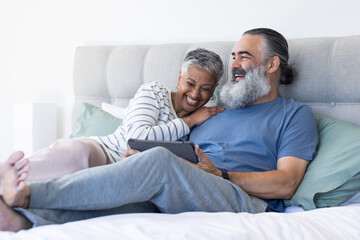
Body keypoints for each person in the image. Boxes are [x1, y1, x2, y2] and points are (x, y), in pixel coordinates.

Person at [0, 28, 318, 232]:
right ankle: (22, 220)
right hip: (182, 184)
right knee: (119, 205)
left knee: (161, 163)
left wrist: (218, 175)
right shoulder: (215, 111)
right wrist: (136, 161)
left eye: (244, 56)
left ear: (272, 65)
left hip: (238, 196)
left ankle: (27, 194)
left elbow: (286, 183)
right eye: (233, 56)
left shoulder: (294, 115)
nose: (234, 63)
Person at [12, 48, 225, 182]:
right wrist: (188, 122)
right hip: (103, 152)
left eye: (206, 89)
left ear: (214, 89)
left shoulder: (205, 122)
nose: (196, 94)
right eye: (190, 83)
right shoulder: (154, 92)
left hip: (124, 177)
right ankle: (10, 176)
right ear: (179, 77)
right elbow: (136, 138)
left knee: (60, 188)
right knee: (79, 157)